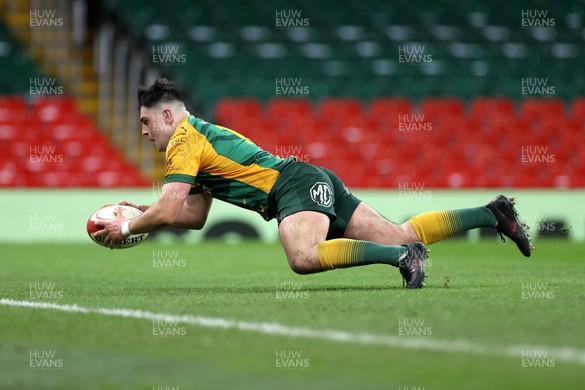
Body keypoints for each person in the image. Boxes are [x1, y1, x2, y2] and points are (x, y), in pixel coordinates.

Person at [95, 78, 532, 289]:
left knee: (302, 257)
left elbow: (171, 210)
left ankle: (402, 258)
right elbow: (191, 217)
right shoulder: (196, 143)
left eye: (146, 121)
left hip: (292, 187)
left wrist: (130, 227)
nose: (144, 131)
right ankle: (492, 213)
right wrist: (144, 213)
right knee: (404, 232)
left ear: (168, 115)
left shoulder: (184, 142)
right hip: (309, 178)